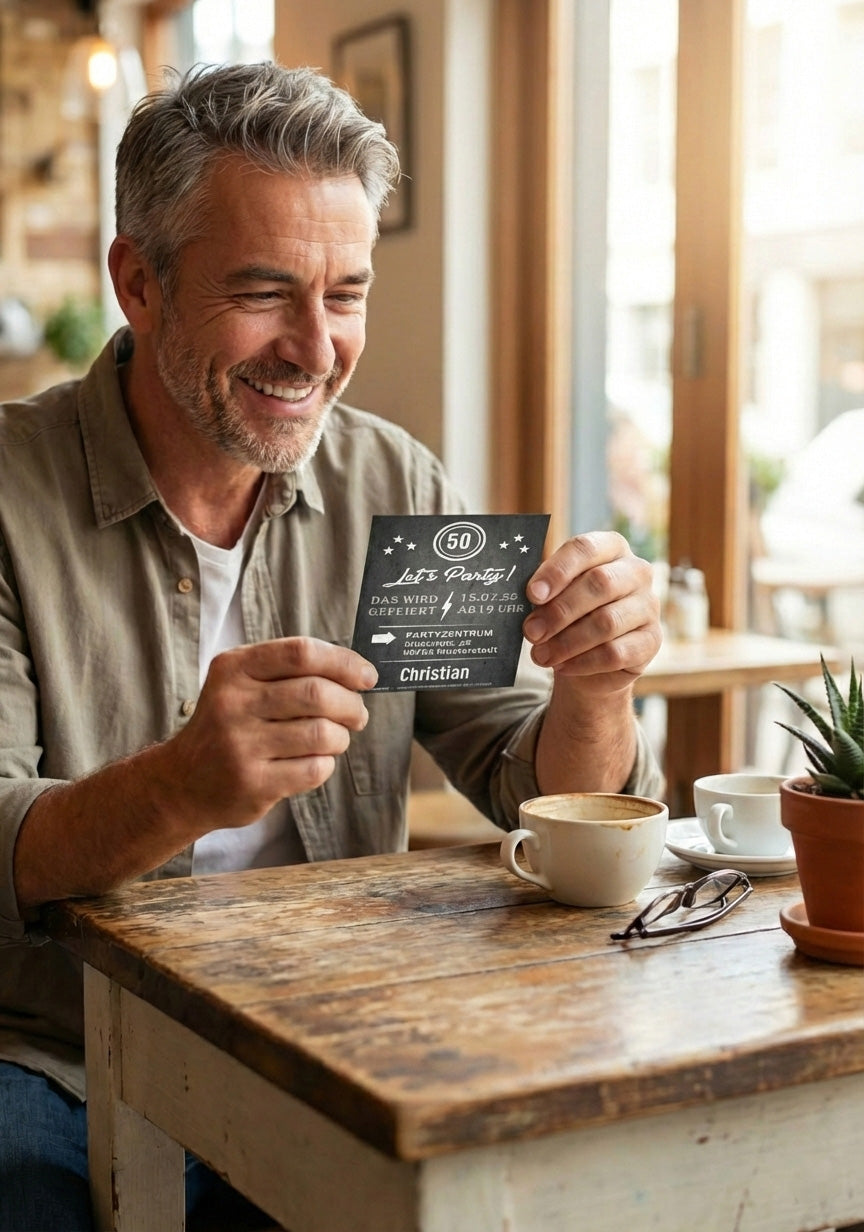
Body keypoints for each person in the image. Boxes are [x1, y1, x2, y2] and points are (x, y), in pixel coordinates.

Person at [0, 61, 663, 1230]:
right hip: (52, 1047)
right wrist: (182, 783)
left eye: (345, 293)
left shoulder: (393, 478)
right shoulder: (8, 491)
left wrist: (597, 684)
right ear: (138, 283)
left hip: (337, 1040)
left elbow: (523, 778)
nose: (314, 348)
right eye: (264, 292)